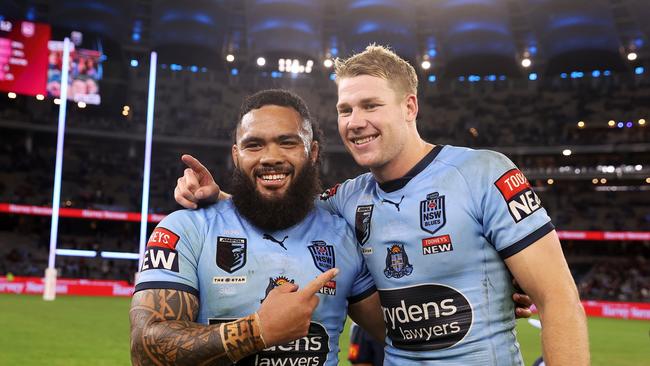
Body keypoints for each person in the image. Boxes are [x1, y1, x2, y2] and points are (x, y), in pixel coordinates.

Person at [174, 45, 587, 365]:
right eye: (345, 109)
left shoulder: (484, 173)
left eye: (371, 105)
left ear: (409, 106)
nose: (355, 121)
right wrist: (220, 195)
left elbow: (558, 298)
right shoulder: (346, 200)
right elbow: (285, 205)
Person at [130, 89, 385, 366]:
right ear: (236, 155)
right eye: (254, 145)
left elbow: (400, 336)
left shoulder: (344, 237)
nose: (270, 157)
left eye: (287, 143)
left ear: (312, 152)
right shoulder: (186, 229)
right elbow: (145, 348)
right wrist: (255, 332)